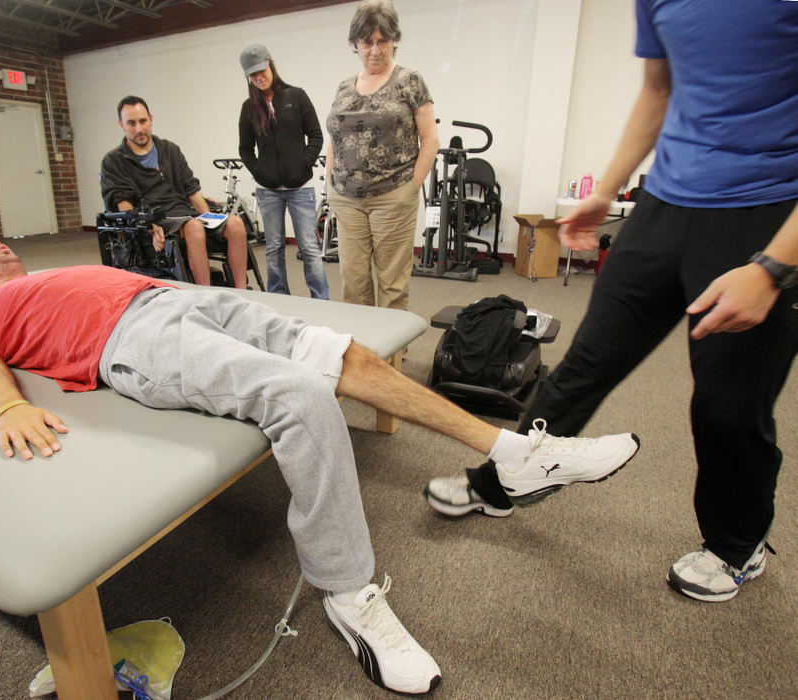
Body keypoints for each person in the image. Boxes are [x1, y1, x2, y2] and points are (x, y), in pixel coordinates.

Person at [0, 239, 639, 694]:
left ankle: (514, 455)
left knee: (348, 356)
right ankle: (348, 593)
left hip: (180, 299)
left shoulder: (59, 269)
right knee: (302, 397)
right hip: (131, 338)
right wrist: (5, 407)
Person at [426, 0, 798, 604]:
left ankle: (738, 545)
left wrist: (775, 265)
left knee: (728, 407)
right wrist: (604, 189)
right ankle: (502, 482)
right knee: (584, 364)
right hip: (663, 205)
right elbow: (657, 90)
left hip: (766, 210)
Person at [325, 0, 438, 310]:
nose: (374, 50)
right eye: (366, 42)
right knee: (353, 284)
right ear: (355, 44)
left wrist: (411, 187)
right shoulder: (344, 87)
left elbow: (430, 140)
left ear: (393, 41)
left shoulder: (409, 81)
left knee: (392, 286)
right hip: (347, 199)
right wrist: (328, 182)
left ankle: (392, 359)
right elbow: (335, 136)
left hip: (393, 195)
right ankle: (364, 356)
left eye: (382, 41)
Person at [101, 95, 248, 288]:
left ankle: (243, 293)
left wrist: (211, 218)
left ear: (151, 119)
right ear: (121, 125)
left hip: (186, 214)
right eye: (131, 123)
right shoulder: (114, 161)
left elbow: (193, 192)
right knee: (194, 227)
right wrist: (147, 226)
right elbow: (124, 204)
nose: (139, 129)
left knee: (235, 223)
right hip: (155, 221)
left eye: (143, 121)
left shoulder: (170, 150)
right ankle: (206, 296)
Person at [238, 43, 329, 299]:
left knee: (310, 247)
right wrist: (261, 173)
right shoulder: (248, 108)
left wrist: (303, 164)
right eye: (253, 75)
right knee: (273, 248)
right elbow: (245, 149)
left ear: (272, 64)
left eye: (262, 70)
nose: (259, 77)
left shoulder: (296, 96)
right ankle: (280, 299)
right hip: (268, 191)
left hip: (300, 188)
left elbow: (316, 136)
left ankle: (321, 300)